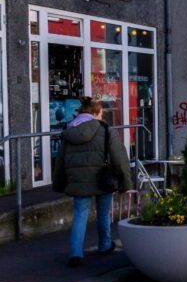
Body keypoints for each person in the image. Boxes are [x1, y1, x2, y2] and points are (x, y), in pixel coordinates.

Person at [52, 97, 132, 267]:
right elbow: (119, 158)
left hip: (79, 181)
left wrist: (59, 183)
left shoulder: (70, 130)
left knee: (79, 215)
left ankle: (75, 254)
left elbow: (60, 161)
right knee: (103, 214)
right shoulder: (105, 129)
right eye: (101, 111)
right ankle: (104, 245)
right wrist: (126, 182)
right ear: (95, 112)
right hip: (103, 179)